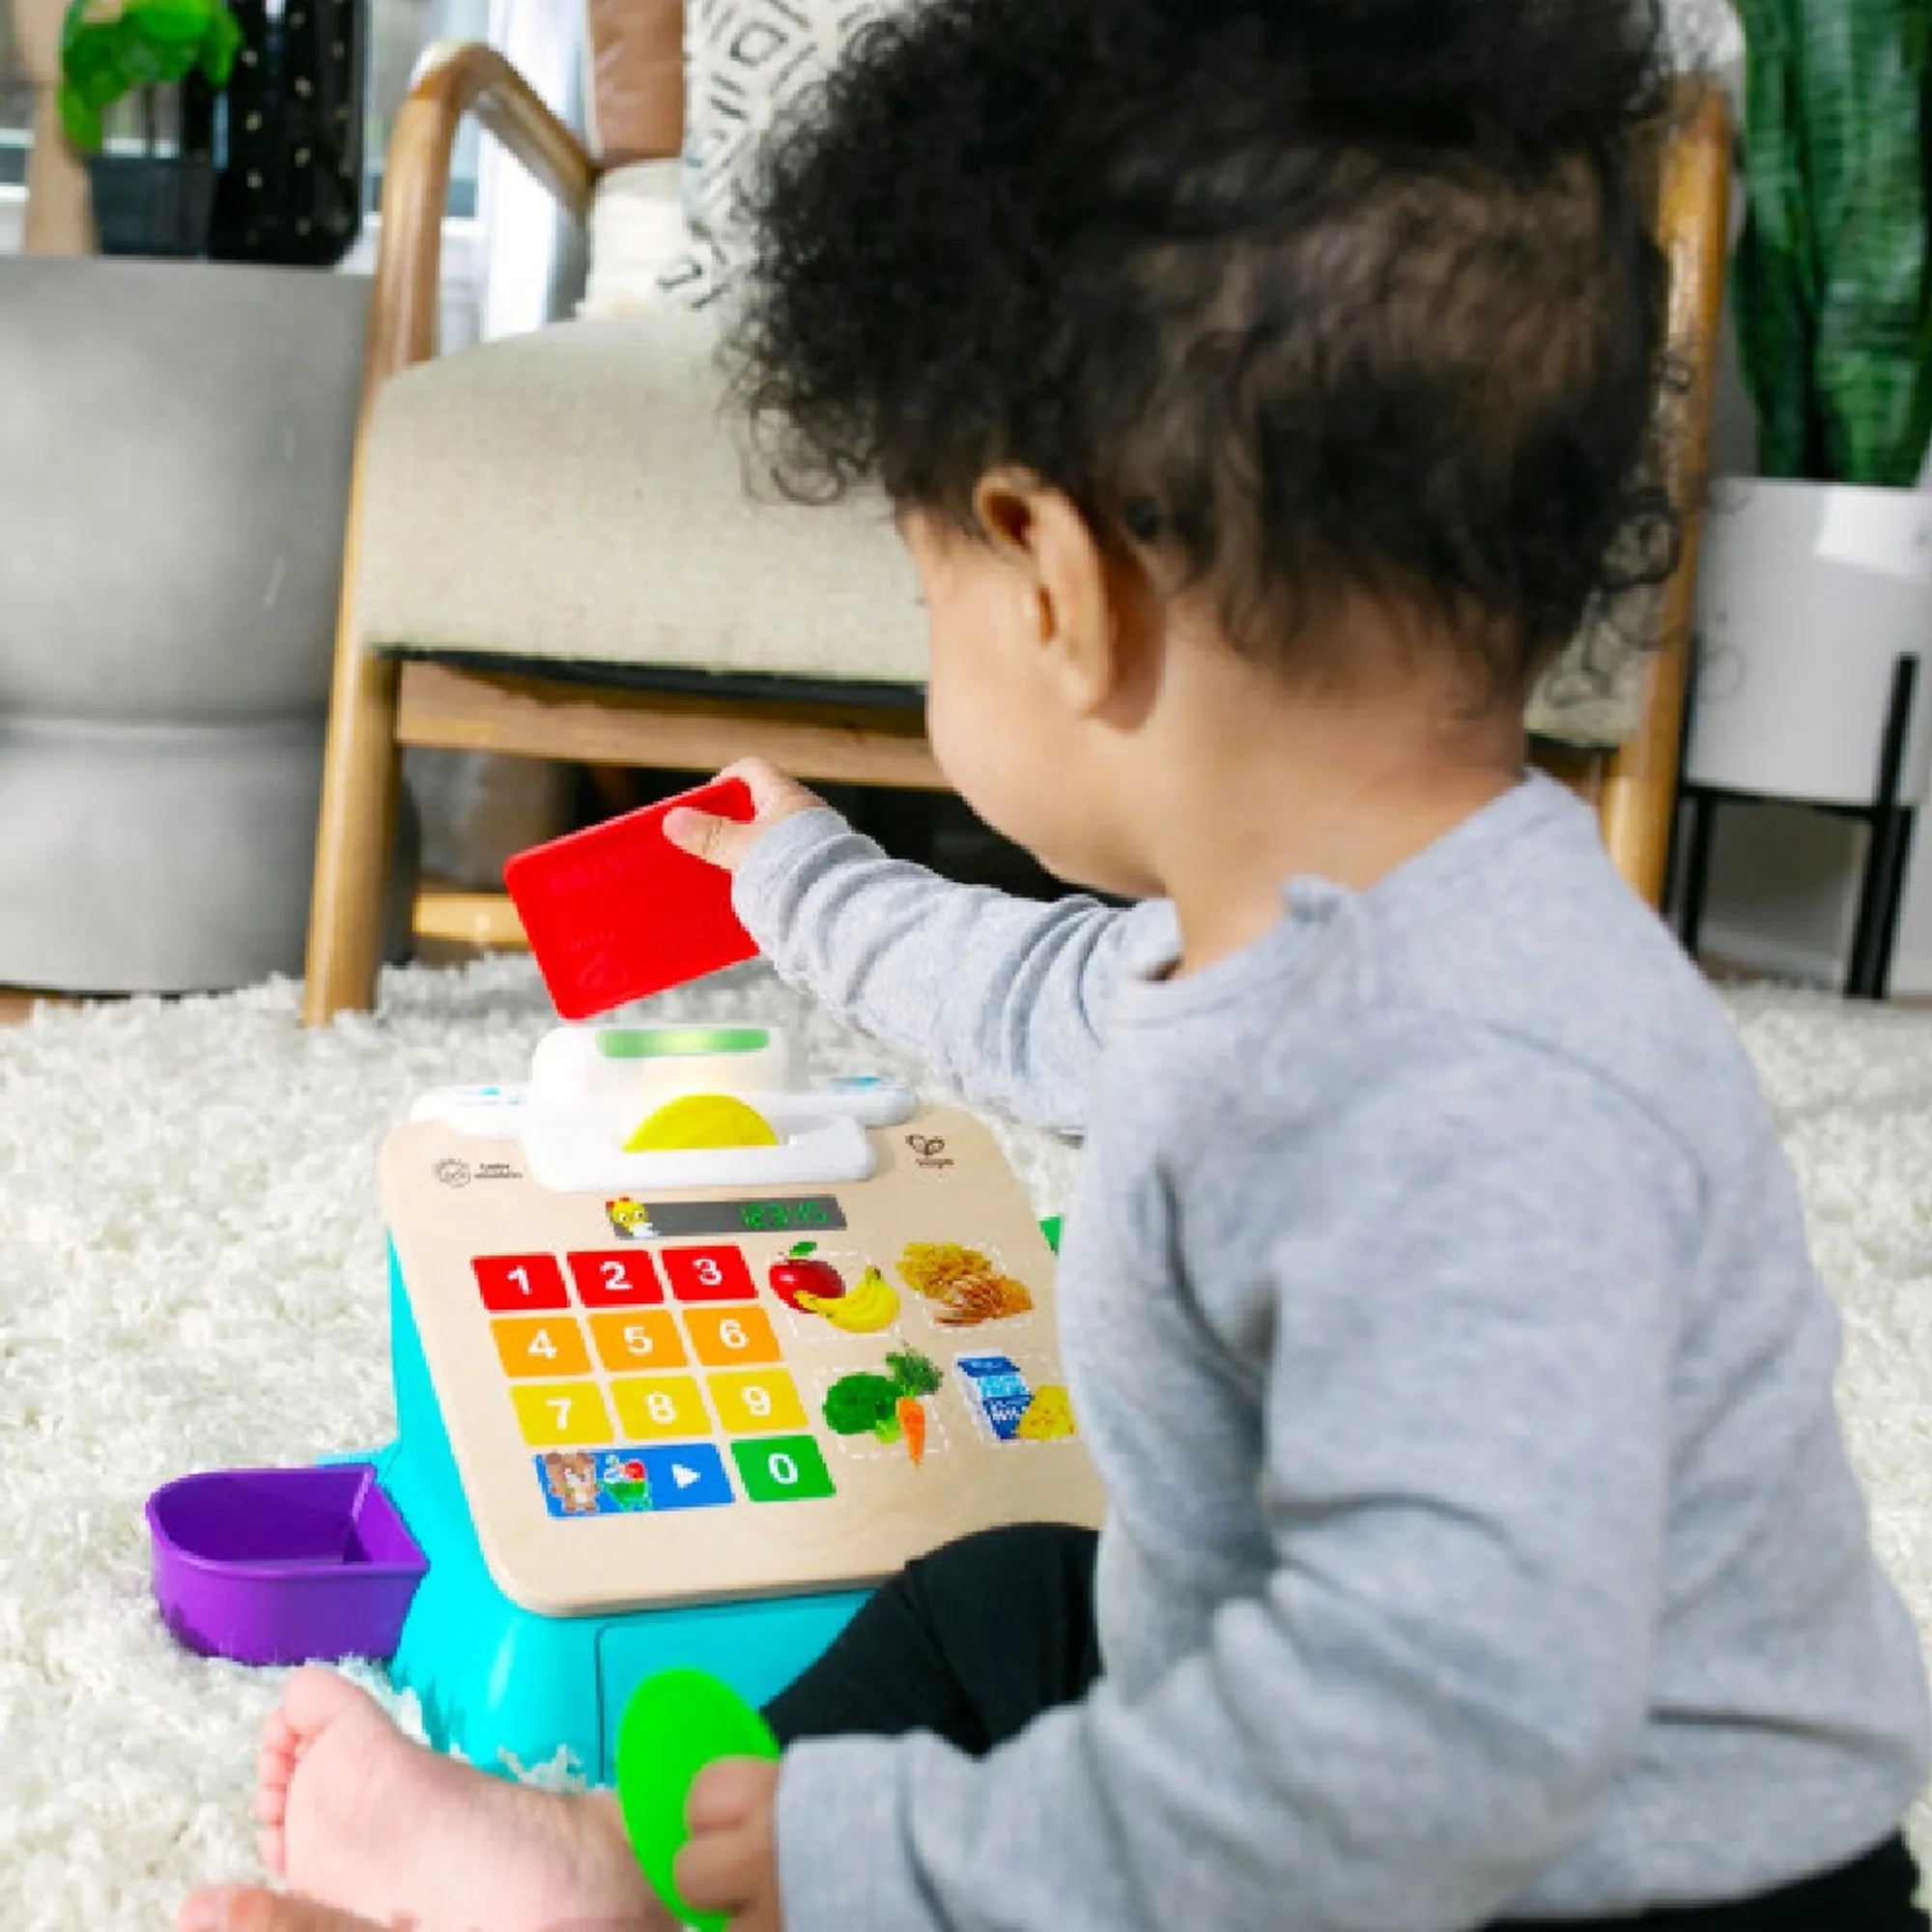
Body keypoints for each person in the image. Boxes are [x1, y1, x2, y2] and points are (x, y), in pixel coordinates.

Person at [180, 0, 1932, 1926]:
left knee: (1006, 1816)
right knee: (1004, 1590)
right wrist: (807, 887)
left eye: (927, 589)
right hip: (1316, 1726)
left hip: (1585, 1874)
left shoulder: (1475, 1103)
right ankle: (615, 1872)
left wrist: (902, 1862)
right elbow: (1042, 1004)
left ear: (1054, 585)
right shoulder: (1319, 927)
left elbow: (1429, 1757)